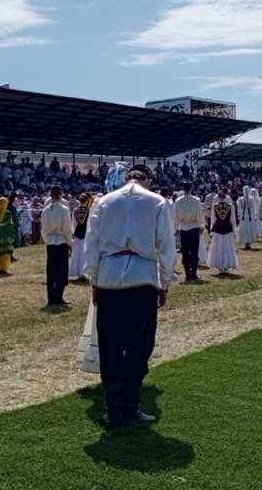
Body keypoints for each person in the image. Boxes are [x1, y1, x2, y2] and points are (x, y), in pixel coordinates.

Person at [82, 164, 176, 429]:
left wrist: (94, 280)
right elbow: (166, 245)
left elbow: (92, 243)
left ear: (125, 179)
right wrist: (164, 283)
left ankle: (113, 409)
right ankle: (130, 406)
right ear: (148, 181)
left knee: (110, 345)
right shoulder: (157, 202)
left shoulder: (104, 202)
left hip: (109, 278)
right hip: (141, 278)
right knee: (138, 344)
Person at [41, 185, 74, 308]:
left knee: (51, 270)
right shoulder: (64, 209)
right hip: (61, 241)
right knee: (61, 270)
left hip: (50, 242)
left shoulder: (46, 210)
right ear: (61, 195)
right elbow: (67, 228)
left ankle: (51, 297)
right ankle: (58, 296)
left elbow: (43, 229)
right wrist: (70, 242)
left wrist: (47, 240)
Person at [174, 182, 206, 281]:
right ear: (191, 188)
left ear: (183, 189)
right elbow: (199, 214)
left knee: (185, 251)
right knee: (194, 251)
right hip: (194, 226)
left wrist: (176, 228)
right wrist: (201, 226)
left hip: (183, 227)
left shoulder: (178, 200)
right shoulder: (196, 200)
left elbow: (175, 216)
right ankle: (194, 274)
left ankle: (187, 274)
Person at [207, 186, 239, 275]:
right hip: (227, 225)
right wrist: (233, 226)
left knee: (218, 245)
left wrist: (212, 226)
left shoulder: (215, 198)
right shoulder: (228, 198)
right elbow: (232, 215)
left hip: (218, 225)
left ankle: (220, 268)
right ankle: (226, 267)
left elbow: (213, 214)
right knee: (227, 245)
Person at [68, 192, 92, 280]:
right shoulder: (89, 210)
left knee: (77, 253)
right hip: (85, 233)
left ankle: (76, 271)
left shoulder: (75, 210)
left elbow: (73, 223)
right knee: (84, 253)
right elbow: (89, 223)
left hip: (77, 232)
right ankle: (84, 272)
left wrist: (73, 232)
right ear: (87, 201)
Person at [0, 196, 16, 275]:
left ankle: (0, 268)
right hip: (5, 233)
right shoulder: (7, 212)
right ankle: (4, 268)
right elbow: (9, 223)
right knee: (5, 252)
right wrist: (12, 231)